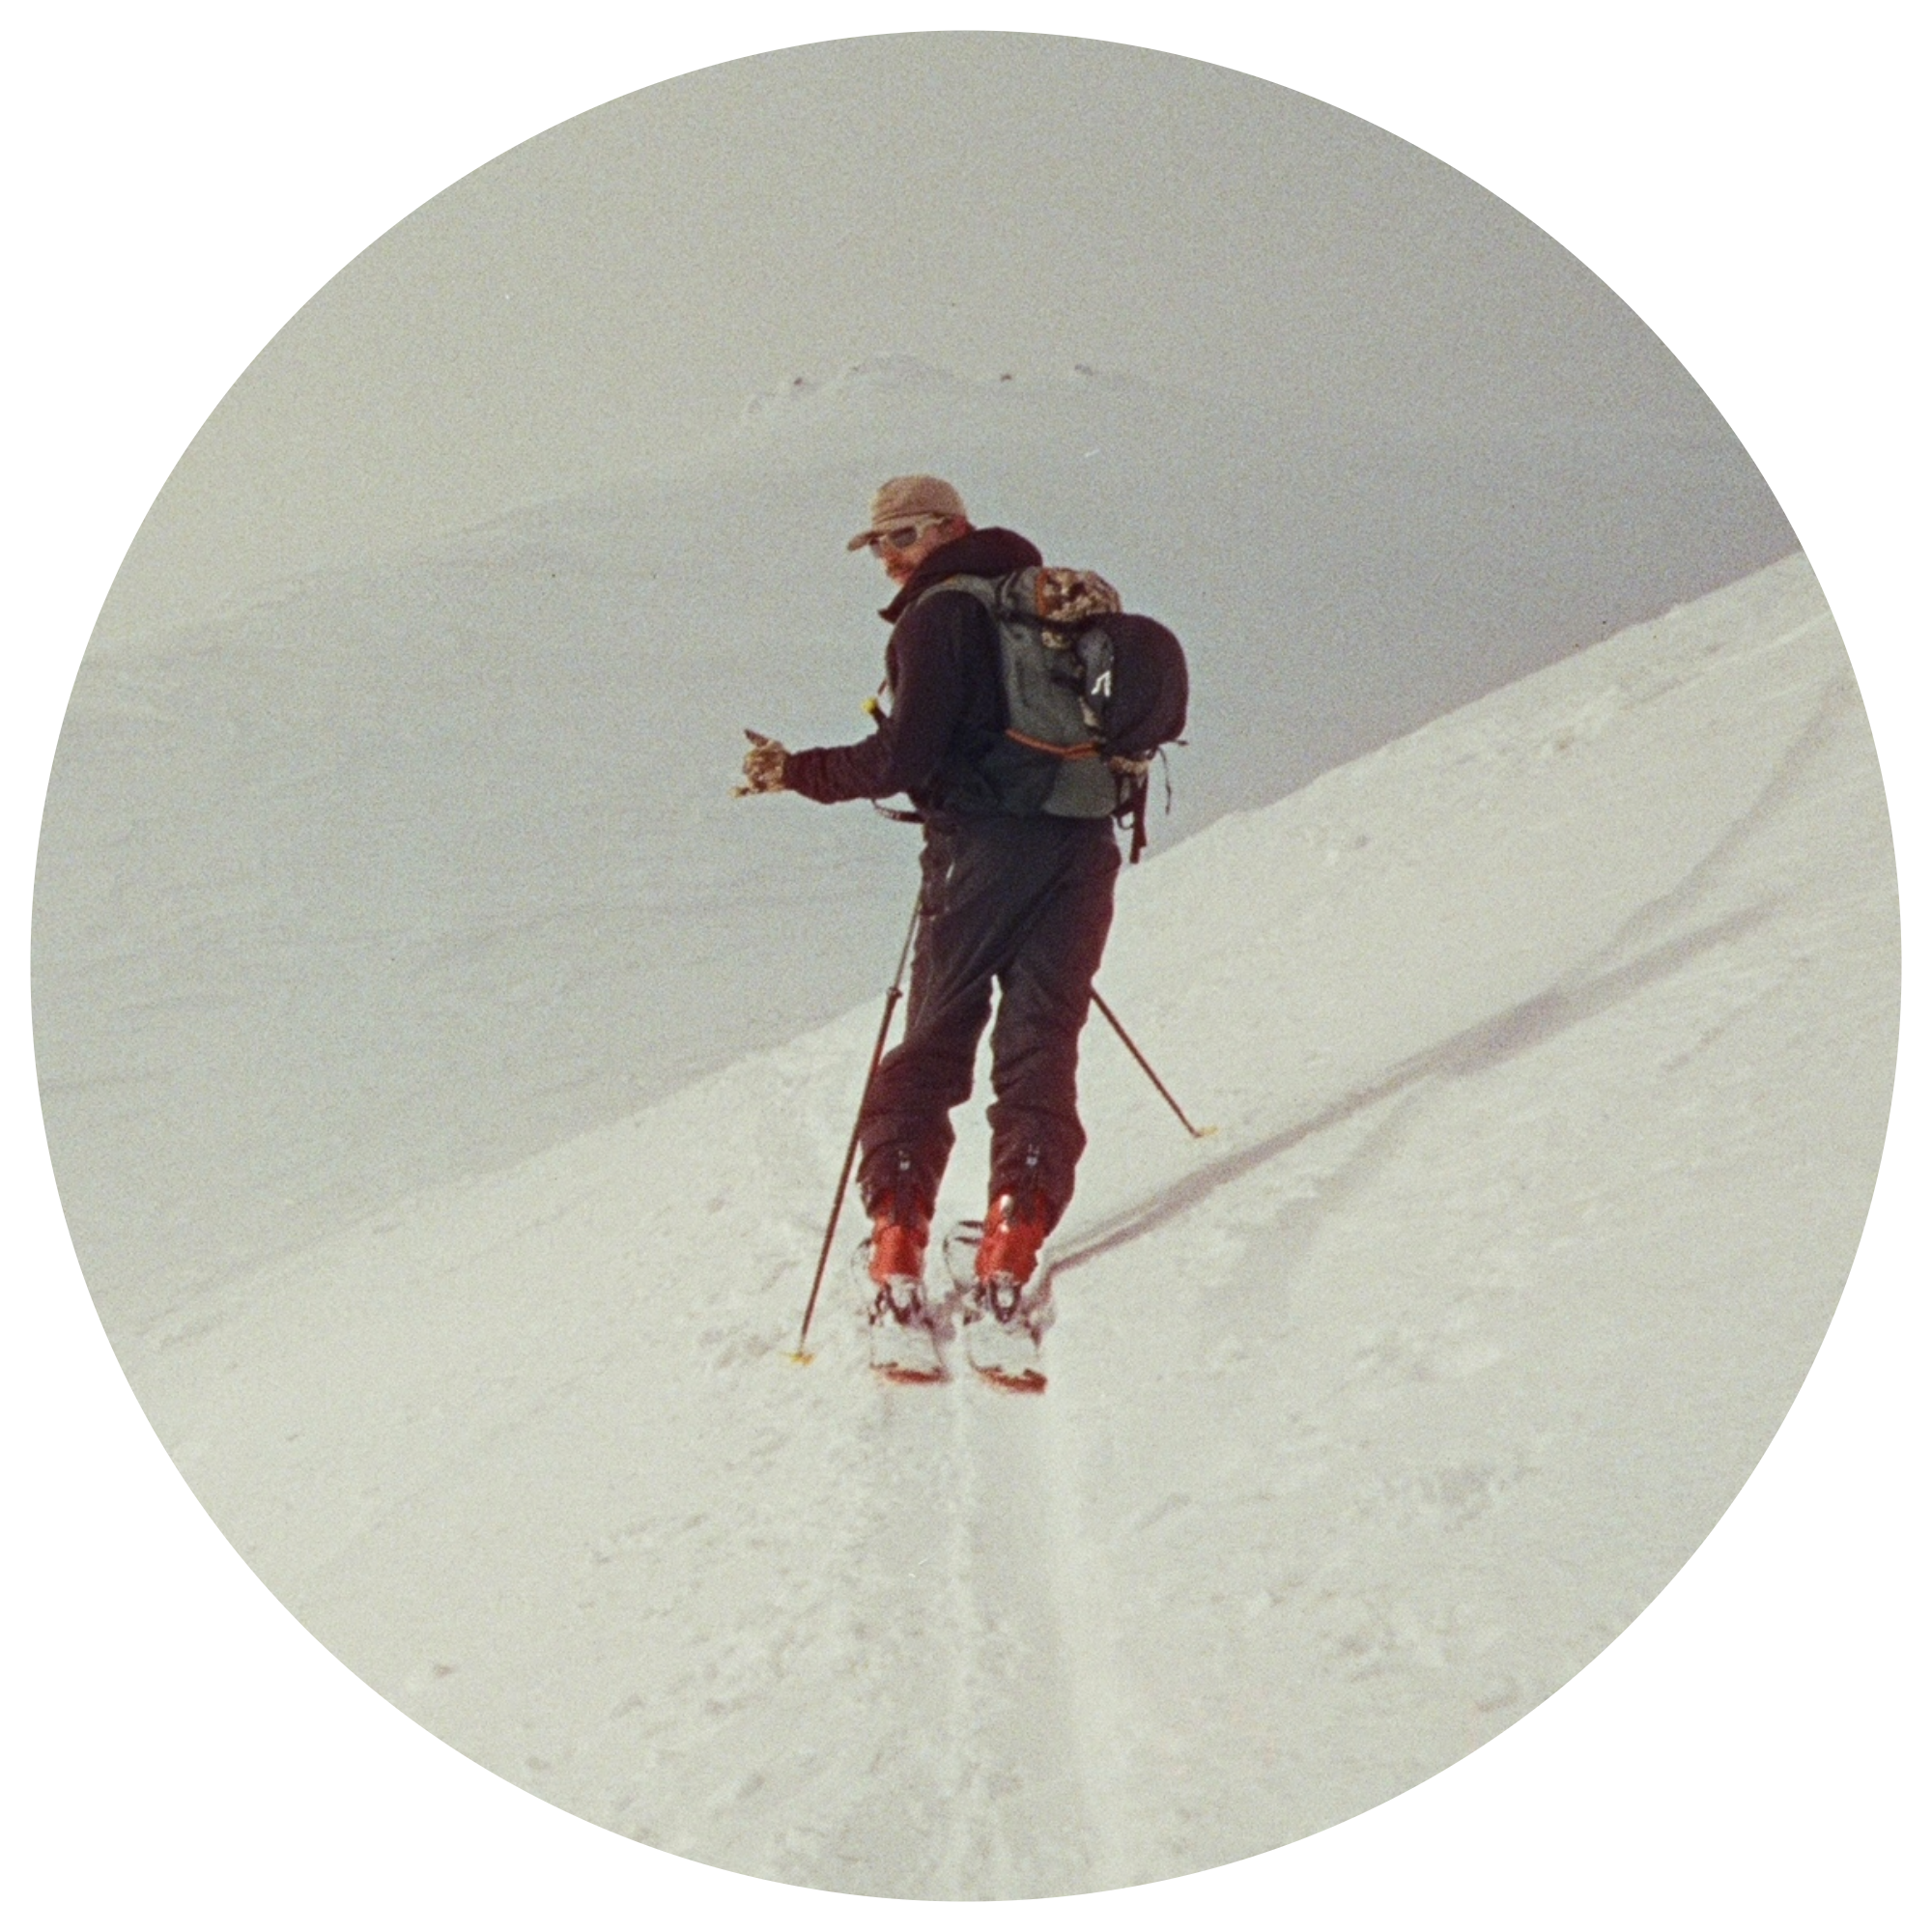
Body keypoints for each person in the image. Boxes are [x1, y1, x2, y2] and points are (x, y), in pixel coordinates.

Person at [738, 475, 1122, 1380]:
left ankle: (897, 1250)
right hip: (1083, 848)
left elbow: (903, 757)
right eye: (876, 543)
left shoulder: (938, 616)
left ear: (949, 530)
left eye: (899, 536)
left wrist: (796, 771)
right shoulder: (1041, 606)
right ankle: (1007, 1251)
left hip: (981, 849)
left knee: (934, 1041)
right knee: (1042, 1043)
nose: (887, 555)